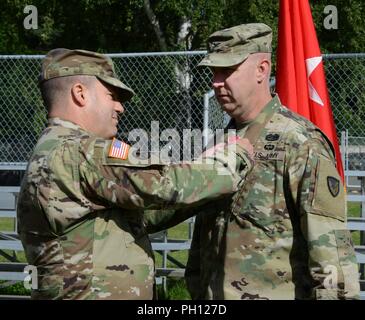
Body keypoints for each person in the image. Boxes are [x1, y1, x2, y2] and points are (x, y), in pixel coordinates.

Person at [17, 48, 253, 300]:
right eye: (112, 96)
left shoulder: (57, 149)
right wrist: (233, 156)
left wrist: (205, 188)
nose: (120, 108)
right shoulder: (80, 151)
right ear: (79, 93)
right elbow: (163, 186)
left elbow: (144, 215)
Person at [184, 23, 360, 300]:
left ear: (262, 69)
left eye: (227, 71)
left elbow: (331, 255)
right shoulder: (220, 144)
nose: (216, 82)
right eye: (214, 72)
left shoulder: (300, 143)